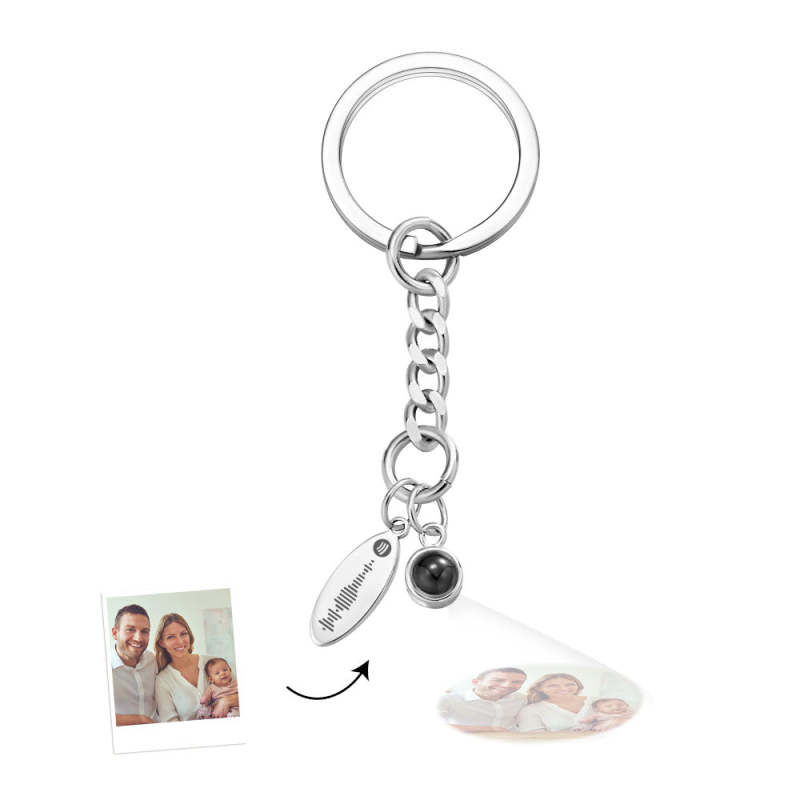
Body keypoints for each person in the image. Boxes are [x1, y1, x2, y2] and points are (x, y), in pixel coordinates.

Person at [153, 613, 210, 722]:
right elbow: (170, 722)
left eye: (183, 634)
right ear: (162, 643)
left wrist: (227, 701)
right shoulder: (162, 681)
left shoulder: (212, 661)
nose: (180, 641)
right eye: (171, 637)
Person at [438, 667, 527, 732]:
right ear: (476, 682)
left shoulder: (521, 699)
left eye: (517, 682)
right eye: (498, 680)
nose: (507, 685)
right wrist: (491, 729)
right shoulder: (447, 699)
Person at [110, 604, 157, 726]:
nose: (138, 638)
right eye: (130, 629)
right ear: (115, 633)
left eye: (144, 631)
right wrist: (141, 720)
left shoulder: (152, 659)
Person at [516, 672, 594, 733]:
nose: (563, 688)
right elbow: (534, 738)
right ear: (539, 688)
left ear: (578, 686)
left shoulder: (595, 701)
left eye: (570, 684)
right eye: (553, 686)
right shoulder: (529, 710)